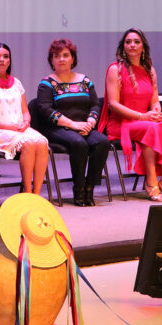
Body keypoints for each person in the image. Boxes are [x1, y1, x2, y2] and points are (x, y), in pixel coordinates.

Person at [98, 28, 162, 202]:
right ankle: (151, 180)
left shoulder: (149, 69)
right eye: (128, 42)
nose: (132, 45)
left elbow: (154, 99)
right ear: (123, 47)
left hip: (145, 121)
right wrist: (143, 117)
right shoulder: (115, 69)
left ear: (143, 47)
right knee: (152, 129)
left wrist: (156, 110)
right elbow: (113, 104)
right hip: (123, 123)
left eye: (136, 42)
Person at [37, 39, 109, 206]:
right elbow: (45, 110)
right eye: (57, 56)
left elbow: (95, 104)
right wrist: (73, 124)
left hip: (83, 125)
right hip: (57, 127)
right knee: (79, 143)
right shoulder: (47, 83)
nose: (61, 59)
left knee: (102, 142)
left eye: (65, 55)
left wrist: (90, 122)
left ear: (73, 58)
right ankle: (78, 188)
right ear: (51, 60)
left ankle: (89, 187)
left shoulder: (84, 80)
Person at [0, 43, 50, 194]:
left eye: (5, 56)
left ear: (9, 61)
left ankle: (37, 193)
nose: (2, 60)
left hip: (18, 128)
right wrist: (9, 127)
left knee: (42, 142)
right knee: (28, 143)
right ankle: (27, 193)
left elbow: (25, 111)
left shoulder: (16, 82)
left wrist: (26, 122)